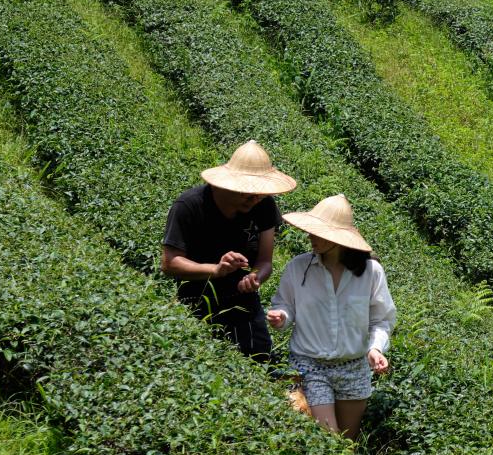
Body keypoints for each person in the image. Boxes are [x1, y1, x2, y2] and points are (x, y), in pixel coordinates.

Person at [266, 194, 394, 438]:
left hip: (354, 366)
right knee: (329, 437)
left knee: (347, 442)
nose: (310, 237)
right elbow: (285, 305)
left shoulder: (371, 272)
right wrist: (281, 316)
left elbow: (381, 319)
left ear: (338, 239)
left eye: (318, 233)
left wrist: (375, 349)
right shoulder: (298, 267)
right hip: (310, 364)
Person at [162, 140, 297, 363]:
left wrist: (255, 277)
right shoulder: (189, 206)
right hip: (198, 298)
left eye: (260, 193)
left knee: (260, 361)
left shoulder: (264, 206)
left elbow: (265, 261)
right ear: (228, 184)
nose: (255, 199)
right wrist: (215, 270)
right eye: (247, 193)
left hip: (243, 299)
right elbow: (169, 263)